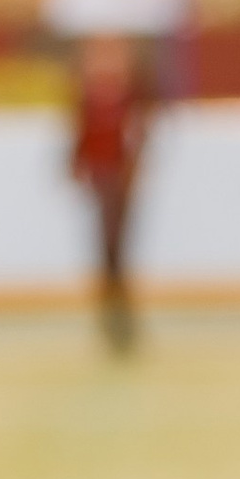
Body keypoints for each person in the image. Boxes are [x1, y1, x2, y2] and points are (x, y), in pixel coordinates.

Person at [69, 36, 152, 355]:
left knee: (118, 244)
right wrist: (77, 166)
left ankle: (121, 312)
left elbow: (140, 132)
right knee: (105, 245)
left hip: (120, 178)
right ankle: (111, 311)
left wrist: (135, 168)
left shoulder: (131, 93)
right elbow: (79, 132)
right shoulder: (87, 94)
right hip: (100, 178)